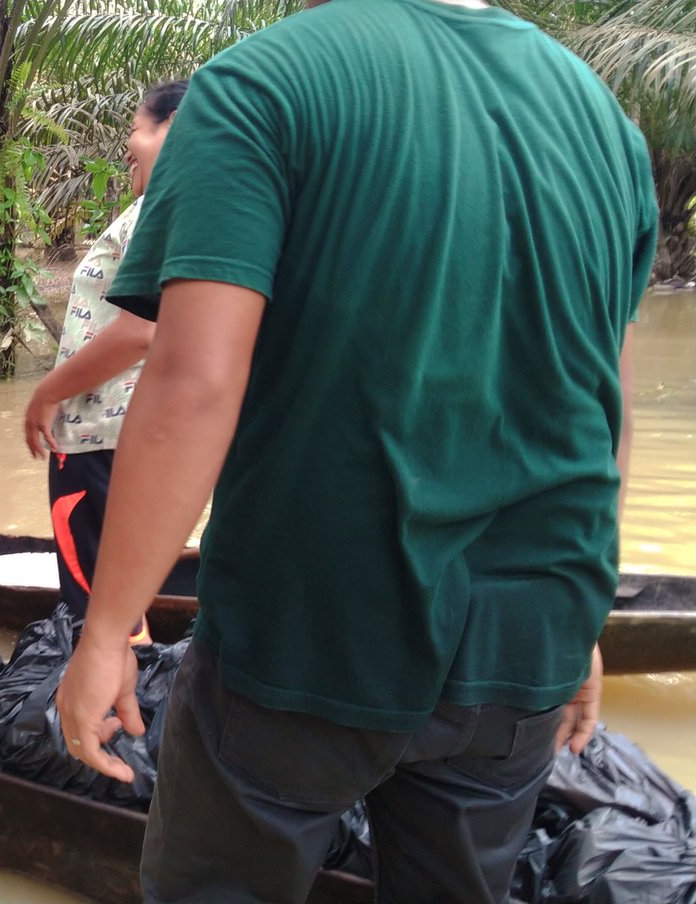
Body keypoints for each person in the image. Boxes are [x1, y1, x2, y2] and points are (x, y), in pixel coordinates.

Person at [53, 0, 654, 901]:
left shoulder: (262, 84)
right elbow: (605, 402)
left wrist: (106, 632)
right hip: (531, 637)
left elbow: (192, 384)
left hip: (311, 630)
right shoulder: (601, 117)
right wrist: (585, 623)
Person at [23, 79, 188, 626]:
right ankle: (133, 700)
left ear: (174, 127)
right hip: (140, 436)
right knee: (121, 596)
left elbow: (140, 330)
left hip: (96, 437)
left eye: (137, 130)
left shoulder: (157, 207)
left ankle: (107, 710)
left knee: (95, 604)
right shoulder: (192, 210)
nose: (126, 147)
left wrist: (48, 392)